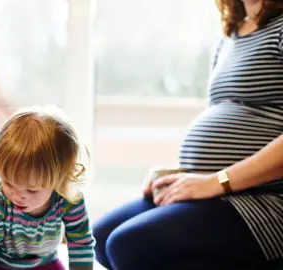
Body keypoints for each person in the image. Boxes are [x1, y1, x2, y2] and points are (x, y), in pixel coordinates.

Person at [93, 0, 283, 269]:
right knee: (99, 238)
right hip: (220, 190)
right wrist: (182, 172)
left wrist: (218, 181)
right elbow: (228, 122)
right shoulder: (231, 36)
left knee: (131, 243)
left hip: (263, 201)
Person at [0, 106, 95, 270]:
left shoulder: (69, 197)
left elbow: (81, 242)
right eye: (8, 183)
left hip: (43, 259)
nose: (17, 196)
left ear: (59, 179)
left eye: (32, 190)